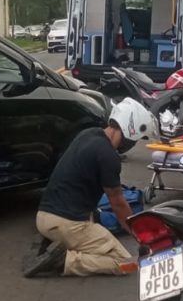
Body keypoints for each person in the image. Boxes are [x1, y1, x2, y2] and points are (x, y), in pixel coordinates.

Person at [25, 98, 157, 278]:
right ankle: (64, 261)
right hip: (68, 224)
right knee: (125, 263)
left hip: (43, 216)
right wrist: (139, 235)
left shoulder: (88, 134)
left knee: (95, 226)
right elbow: (118, 203)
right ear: (129, 130)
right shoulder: (108, 156)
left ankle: (52, 242)